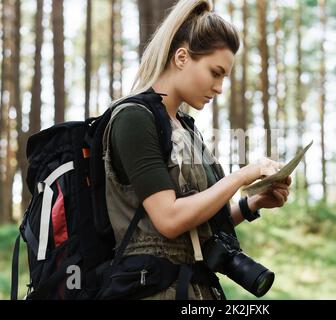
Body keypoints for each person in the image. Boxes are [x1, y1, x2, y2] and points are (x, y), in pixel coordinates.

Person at [104, 0, 292, 300]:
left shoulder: (185, 128)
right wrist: (243, 175)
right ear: (181, 57)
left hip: (195, 291)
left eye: (224, 77)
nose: (219, 87)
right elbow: (169, 220)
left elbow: (198, 227)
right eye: (215, 72)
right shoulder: (134, 117)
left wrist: (253, 204)